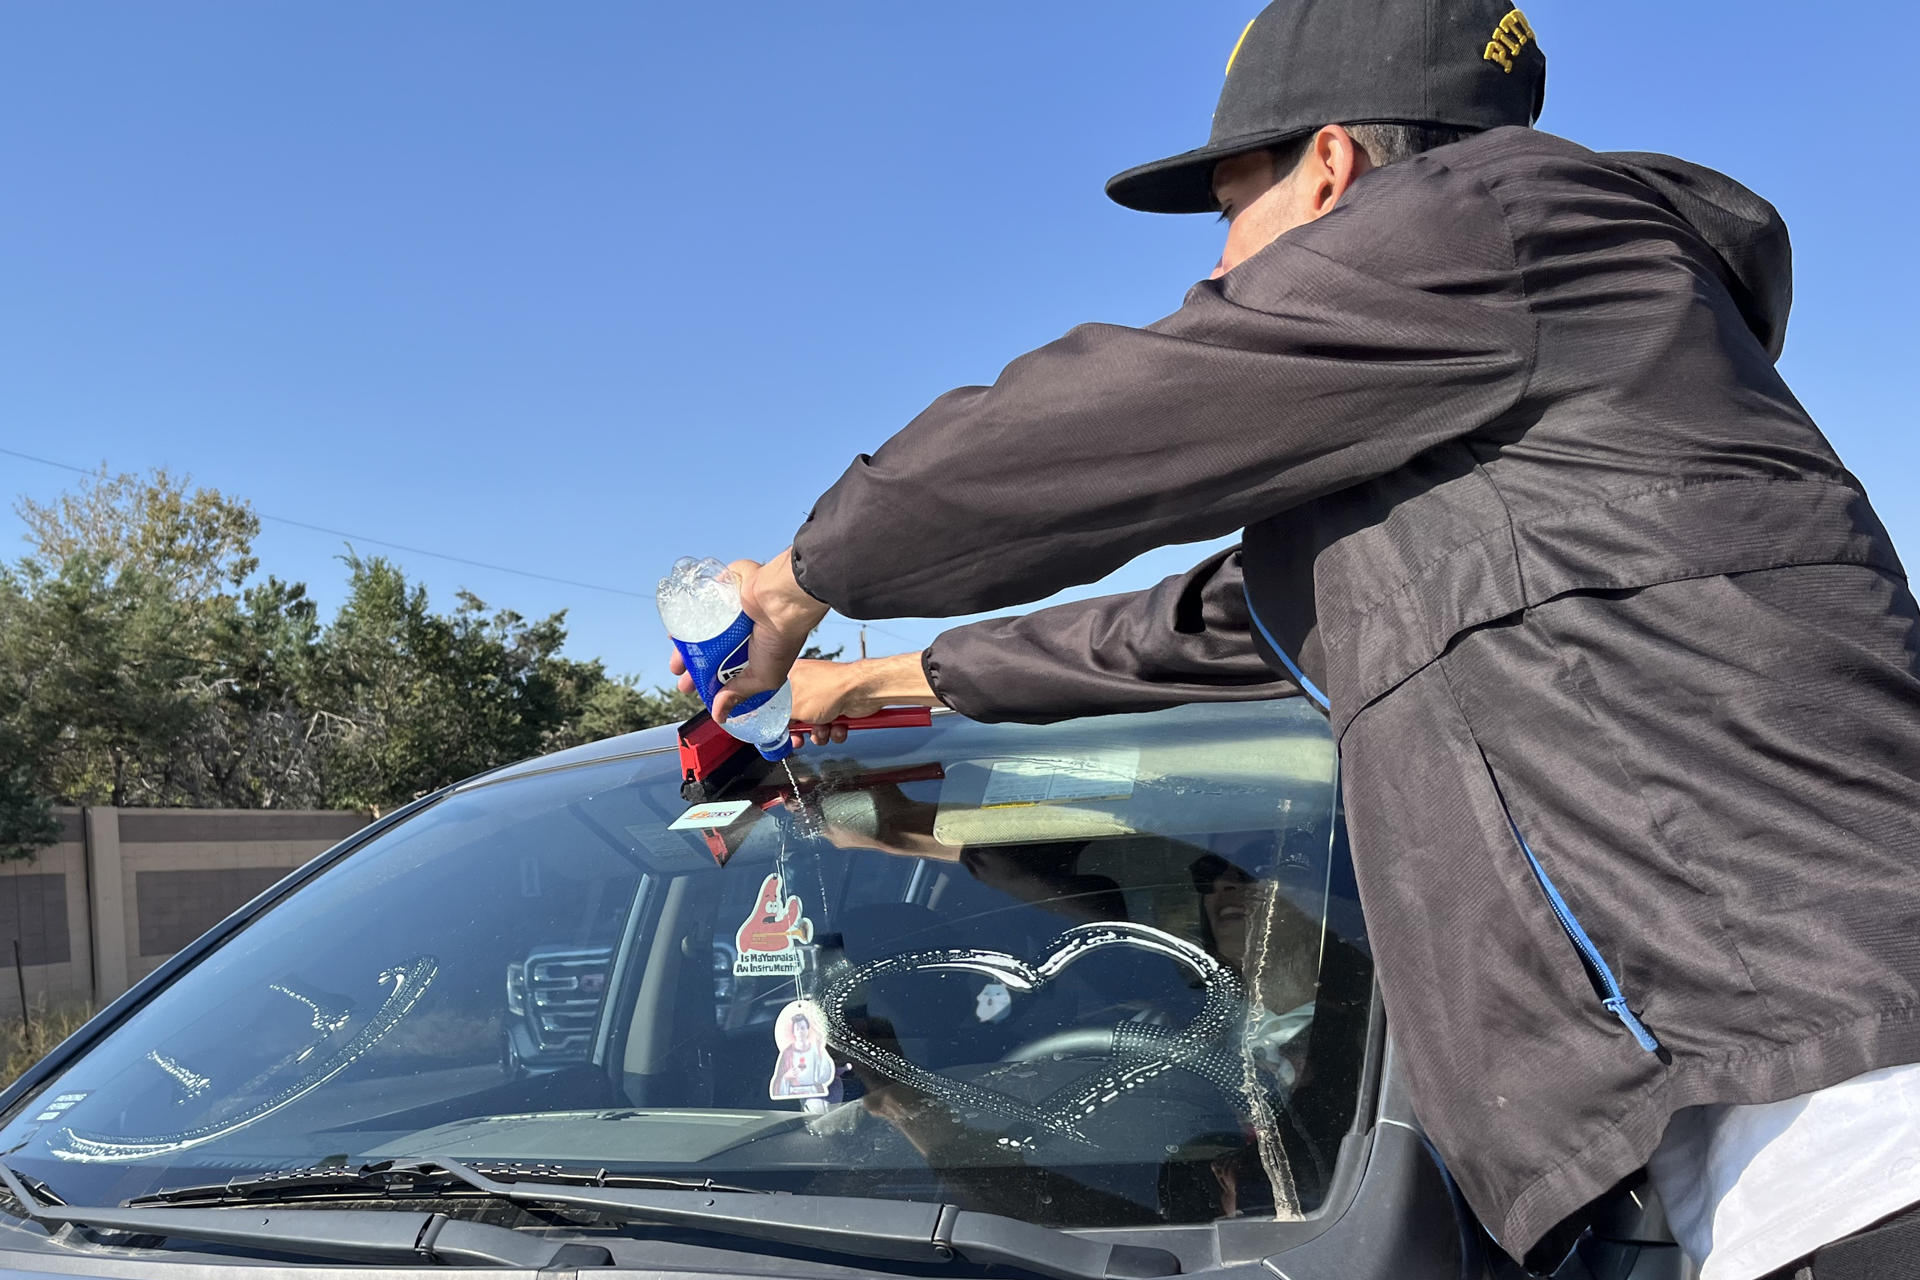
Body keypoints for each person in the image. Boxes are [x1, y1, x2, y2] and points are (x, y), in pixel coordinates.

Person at [670, 2, 1920, 1275]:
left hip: (1861, 1107)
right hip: (1769, 1142)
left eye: (1227, 208)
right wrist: (891, 675)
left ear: (1333, 169)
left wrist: (789, 586)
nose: (1213, 271)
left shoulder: (1505, 215)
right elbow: (1201, 625)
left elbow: (1111, 419)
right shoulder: (1507, 431)